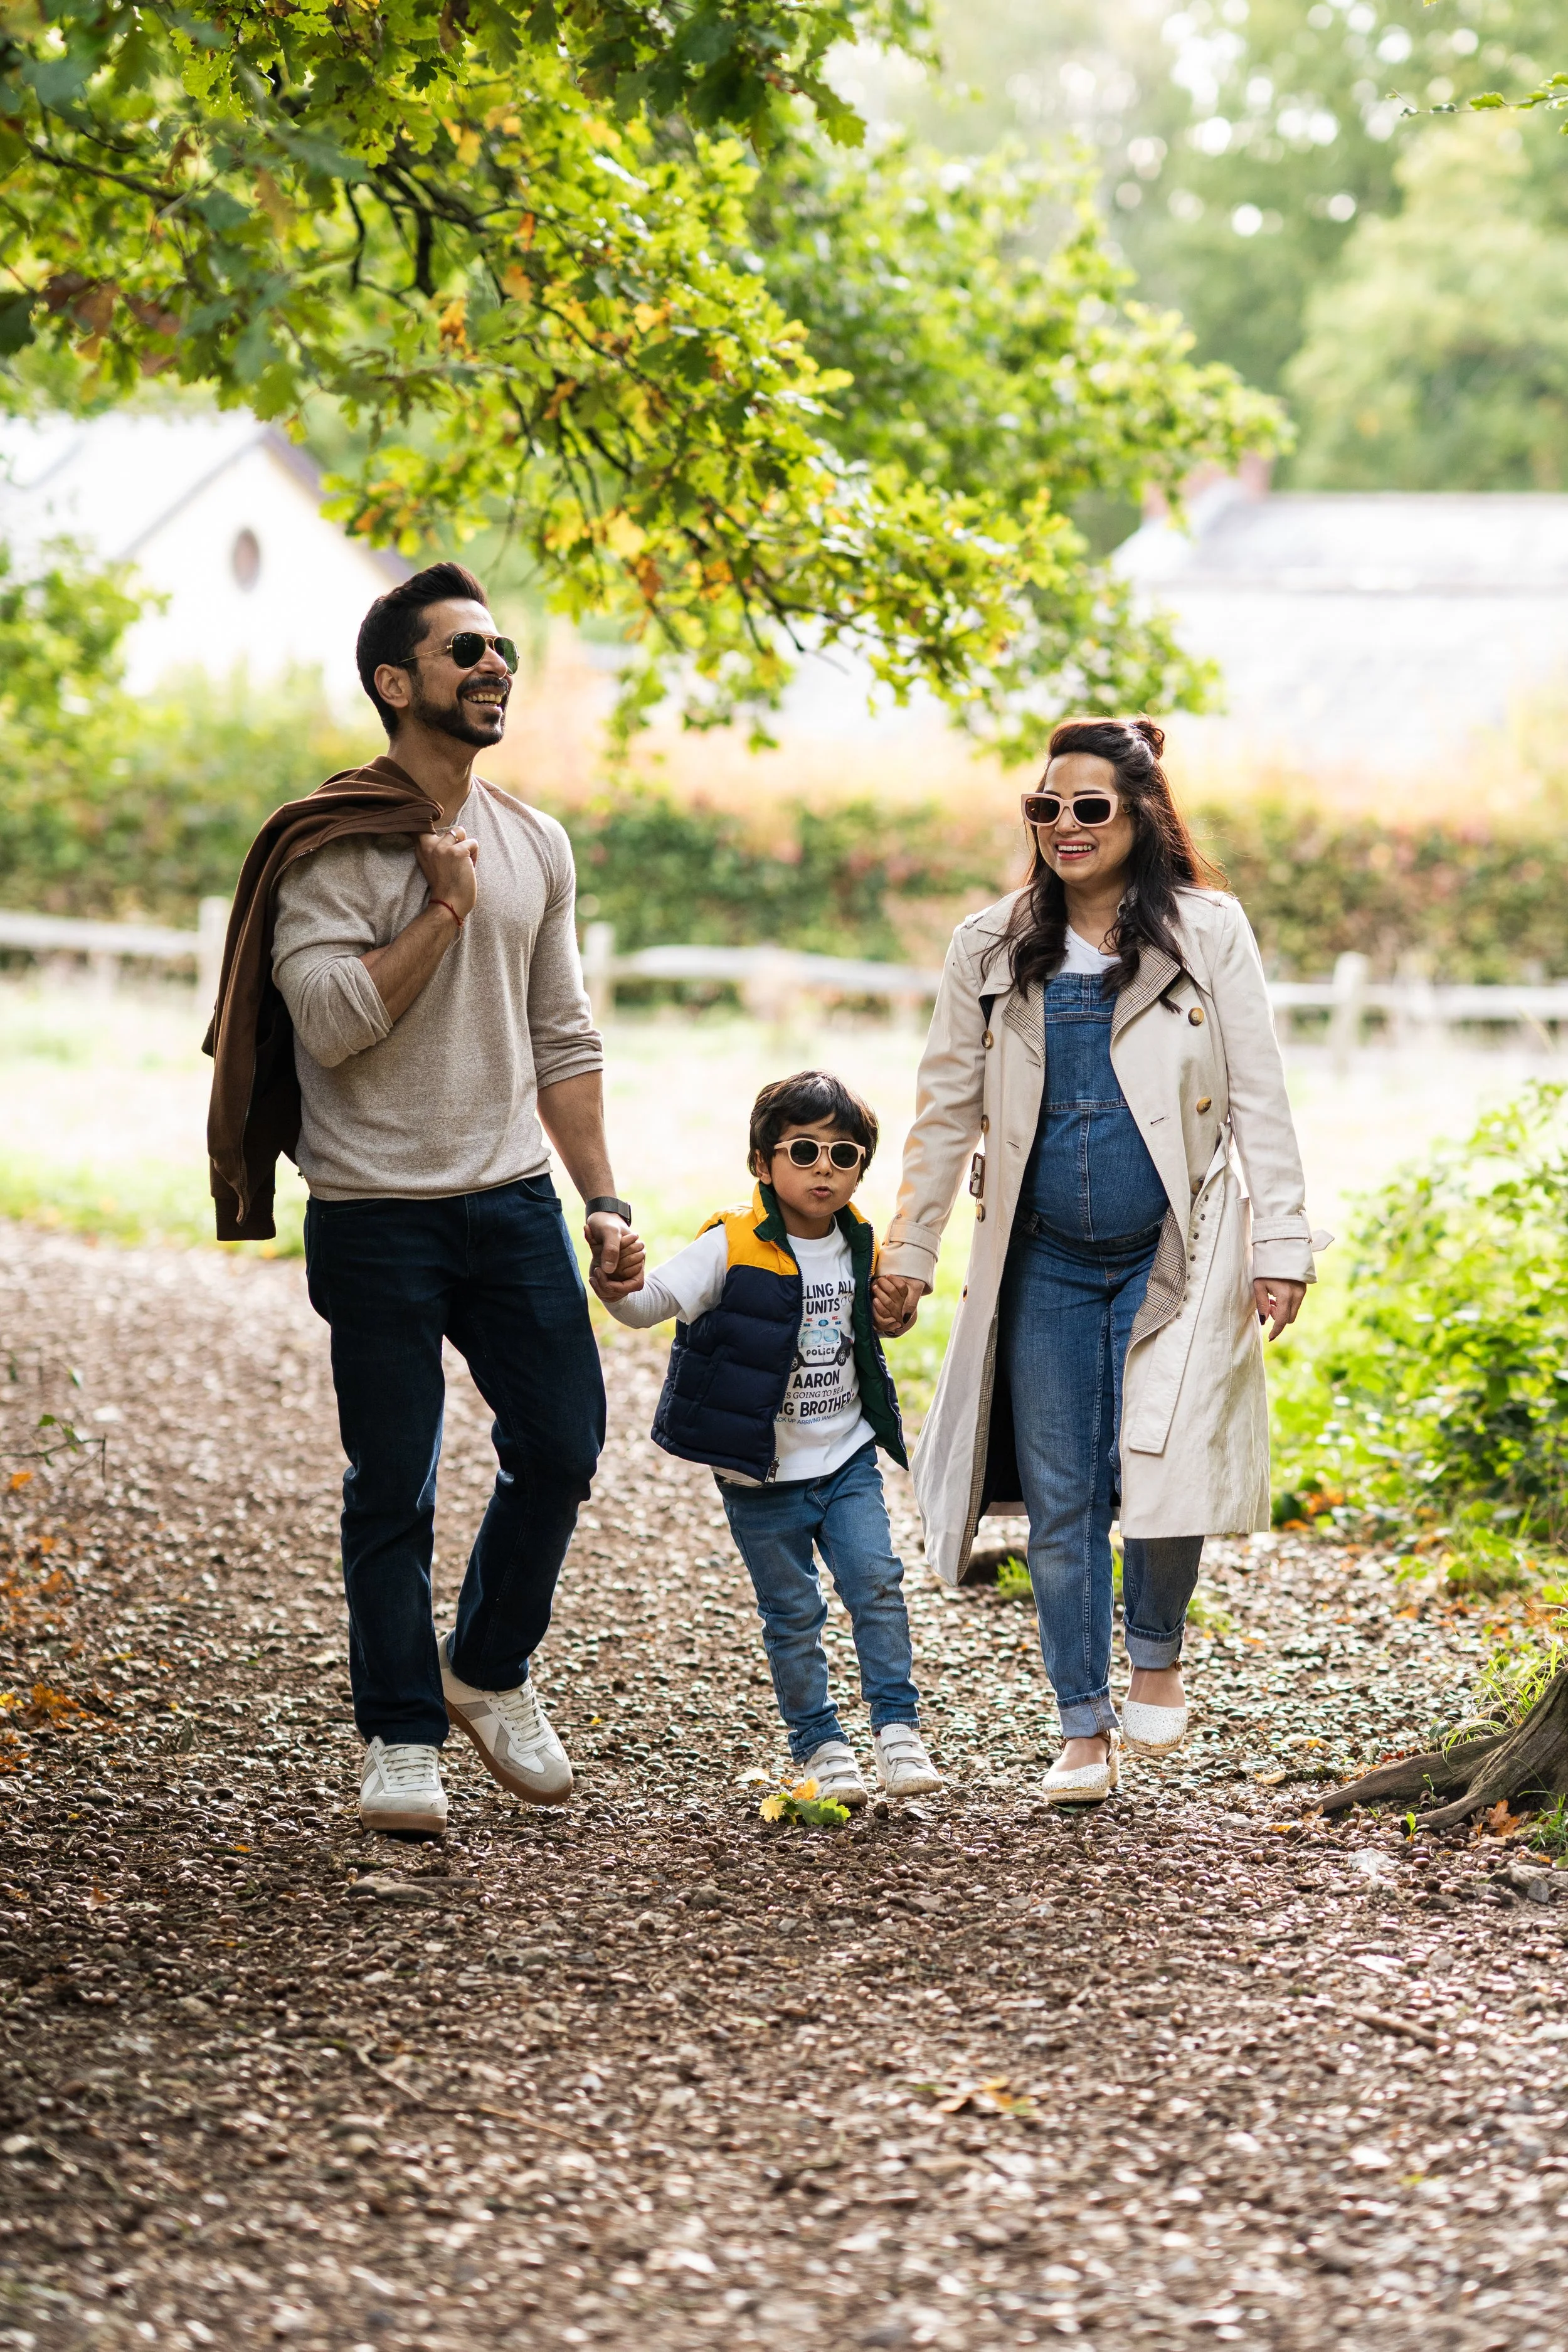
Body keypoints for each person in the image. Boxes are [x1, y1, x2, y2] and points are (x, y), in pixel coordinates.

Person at [872, 717, 1323, 1804]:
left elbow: (1259, 1090)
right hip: (1042, 1261)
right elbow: (943, 1112)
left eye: (1090, 809)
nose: (1064, 828)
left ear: (1141, 817)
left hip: (1178, 1251)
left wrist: (1283, 1243)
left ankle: (1156, 1654)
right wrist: (912, 1248)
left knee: (1163, 1464)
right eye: (1046, 808)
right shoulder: (988, 945)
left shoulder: (1209, 933)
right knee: (1064, 1495)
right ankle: (1082, 1729)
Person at [262, 561, 638, 1837]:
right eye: (463, 650)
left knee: (564, 1445)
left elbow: (564, 1036)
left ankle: (483, 1668)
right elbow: (328, 1027)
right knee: (394, 1481)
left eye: (501, 651)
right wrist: (438, 910)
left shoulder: (536, 840)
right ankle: (400, 1737)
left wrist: (601, 1201)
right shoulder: (327, 842)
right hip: (374, 1213)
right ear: (394, 681)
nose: (494, 667)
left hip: (513, 1201)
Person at [598, 1072, 942, 1808]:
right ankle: (820, 1742)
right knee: (792, 1615)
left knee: (877, 1585)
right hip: (762, 1474)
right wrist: (616, 1283)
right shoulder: (730, 1243)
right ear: (762, 1162)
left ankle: (897, 1727)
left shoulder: (858, 1240)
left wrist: (895, 1316)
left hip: (844, 1455)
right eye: (804, 1150)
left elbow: (875, 1324)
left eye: (844, 1155)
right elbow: (648, 1305)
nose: (824, 1168)